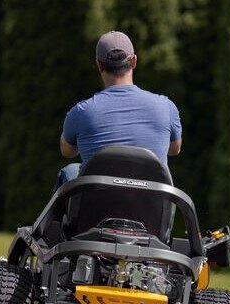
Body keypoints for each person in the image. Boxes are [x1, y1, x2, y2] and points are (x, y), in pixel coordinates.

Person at [56, 31, 182, 187]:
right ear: (134, 61)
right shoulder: (166, 107)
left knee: (69, 172)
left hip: (97, 202)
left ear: (99, 65)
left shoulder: (81, 112)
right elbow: (175, 149)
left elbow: (67, 151)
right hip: (154, 202)